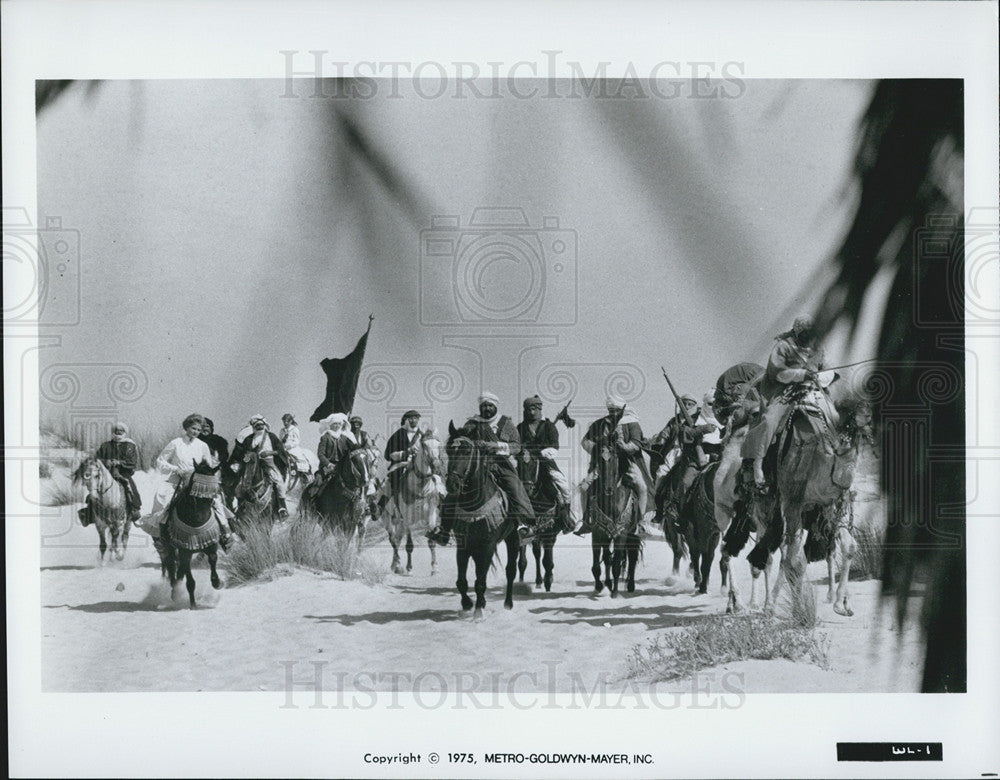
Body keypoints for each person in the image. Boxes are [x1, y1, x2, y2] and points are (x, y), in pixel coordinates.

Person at [428, 392, 536, 545]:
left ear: (495, 407)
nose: (487, 408)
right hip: (475, 465)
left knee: (515, 486)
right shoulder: (472, 423)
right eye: (484, 405)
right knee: (453, 490)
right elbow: (463, 441)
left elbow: (517, 446)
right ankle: (444, 531)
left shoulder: (506, 423)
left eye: (490, 405)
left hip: (500, 464)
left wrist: (496, 445)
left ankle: (525, 525)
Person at [741, 316, 832, 487]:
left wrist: (822, 376)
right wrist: (801, 374)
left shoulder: (819, 348)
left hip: (811, 391)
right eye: (805, 333)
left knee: (834, 419)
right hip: (786, 393)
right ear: (798, 331)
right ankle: (757, 463)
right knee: (769, 422)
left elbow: (826, 368)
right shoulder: (783, 347)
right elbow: (778, 373)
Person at [146, 413, 234, 549]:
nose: (196, 432)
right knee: (164, 501)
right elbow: (160, 461)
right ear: (186, 427)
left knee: (216, 501)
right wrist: (175, 468)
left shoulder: (203, 445)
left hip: (198, 480)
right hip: (178, 478)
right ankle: (161, 536)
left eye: (199, 430)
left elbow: (208, 465)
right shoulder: (176, 443)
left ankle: (225, 531)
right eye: (193, 428)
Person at [576, 394, 651, 535]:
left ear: (623, 408)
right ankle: (586, 521)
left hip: (627, 463)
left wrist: (624, 446)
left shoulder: (632, 423)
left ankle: (640, 523)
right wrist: (598, 450)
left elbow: (636, 444)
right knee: (584, 487)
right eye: (611, 410)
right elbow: (585, 442)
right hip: (602, 464)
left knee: (642, 487)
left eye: (616, 410)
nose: (613, 413)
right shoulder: (599, 424)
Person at [649, 394, 718, 528]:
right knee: (661, 474)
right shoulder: (678, 420)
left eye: (690, 404)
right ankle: (661, 509)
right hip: (679, 451)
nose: (686, 406)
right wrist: (661, 437)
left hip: (705, 454)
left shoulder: (707, 417)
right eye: (684, 403)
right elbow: (679, 432)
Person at [516, 395, 575, 530]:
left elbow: (555, 447)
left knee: (564, 486)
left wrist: (540, 452)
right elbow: (517, 445)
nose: (532, 412)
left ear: (540, 409)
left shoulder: (548, 426)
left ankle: (566, 519)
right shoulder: (520, 427)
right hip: (524, 465)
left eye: (534, 409)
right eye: (529, 409)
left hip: (545, 463)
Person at [78, 422, 143, 527]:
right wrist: (106, 461)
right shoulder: (106, 445)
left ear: (124, 433)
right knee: (94, 487)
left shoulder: (130, 446)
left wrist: (119, 462)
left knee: (131, 488)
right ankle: (88, 513)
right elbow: (97, 459)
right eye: (116, 431)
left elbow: (132, 462)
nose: (118, 433)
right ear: (113, 432)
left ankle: (134, 511)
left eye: (121, 431)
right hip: (106, 472)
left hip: (123, 472)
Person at [228, 414, 291, 517]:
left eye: (261, 425)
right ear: (253, 427)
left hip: (268, 462)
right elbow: (244, 453)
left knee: (278, 481)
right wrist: (245, 458)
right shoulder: (249, 439)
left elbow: (280, 451)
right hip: (251, 464)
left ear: (265, 425)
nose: (259, 427)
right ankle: (240, 506)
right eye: (257, 425)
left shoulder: (271, 436)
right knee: (239, 484)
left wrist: (269, 453)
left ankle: (282, 506)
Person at [279, 413, 316, 479]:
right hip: (283, 447)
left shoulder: (294, 429)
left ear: (291, 421)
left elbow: (297, 441)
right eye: (284, 421)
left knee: (297, 457)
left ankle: (302, 473)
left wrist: (290, 446)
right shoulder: (282, 431)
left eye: (287, 421)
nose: (285, 423)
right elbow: (280, 440)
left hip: (292, 448)